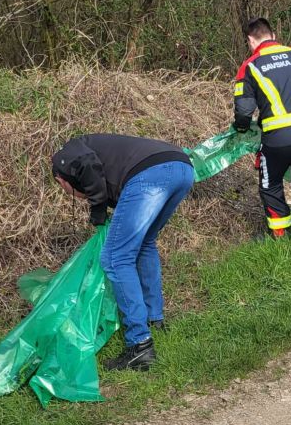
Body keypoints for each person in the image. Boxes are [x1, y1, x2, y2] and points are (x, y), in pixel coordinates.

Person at [52, 134, 195, 371]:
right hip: (181, 167)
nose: (73, 194)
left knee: (116, 258)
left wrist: (97, 209)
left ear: (61, 179)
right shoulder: (104, 157)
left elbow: (88, 164)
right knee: (145, 243)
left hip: (151, 172)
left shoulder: (63, 157)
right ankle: (154, 320)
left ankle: (139, 345)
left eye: (65, 190)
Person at [234, 17, 291, 279]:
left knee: (270, 185)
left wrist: (241, 128)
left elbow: (243, 110)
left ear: (251, 41)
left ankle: (279, 235)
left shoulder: (251, 65)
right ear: (273, 34)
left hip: (277, 140)